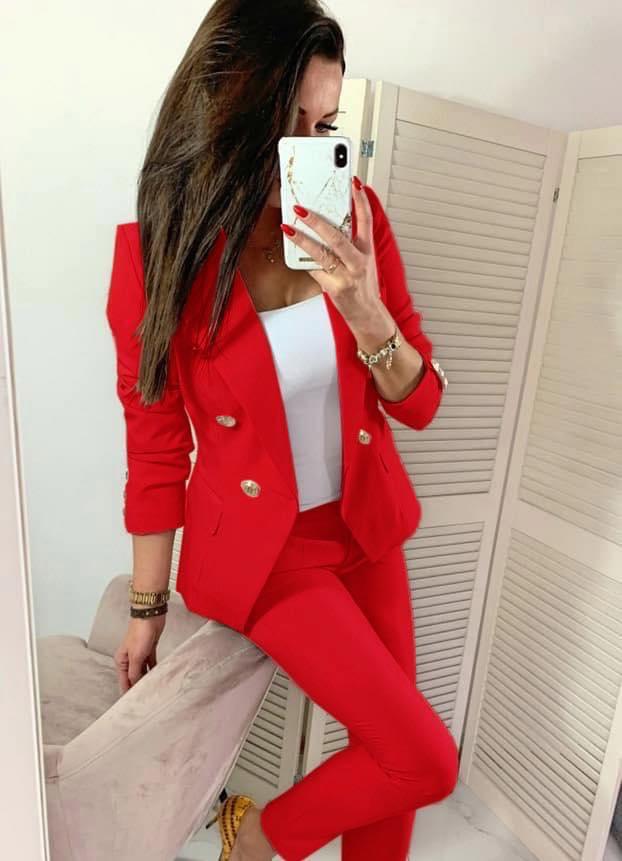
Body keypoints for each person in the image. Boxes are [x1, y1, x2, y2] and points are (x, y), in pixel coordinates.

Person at [105, 1, 457, 859]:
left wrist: (367, 309)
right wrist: (147, 608)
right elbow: (155, 443)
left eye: (324, 125)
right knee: (425, 757)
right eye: (285, 121)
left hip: (367, 526)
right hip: (267, 554)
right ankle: (259, 835)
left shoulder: (357, 218)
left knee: (396, 760)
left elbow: (419, 405)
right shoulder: (159, 256)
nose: (306, 147)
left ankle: (257, 832)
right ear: (225, 109)